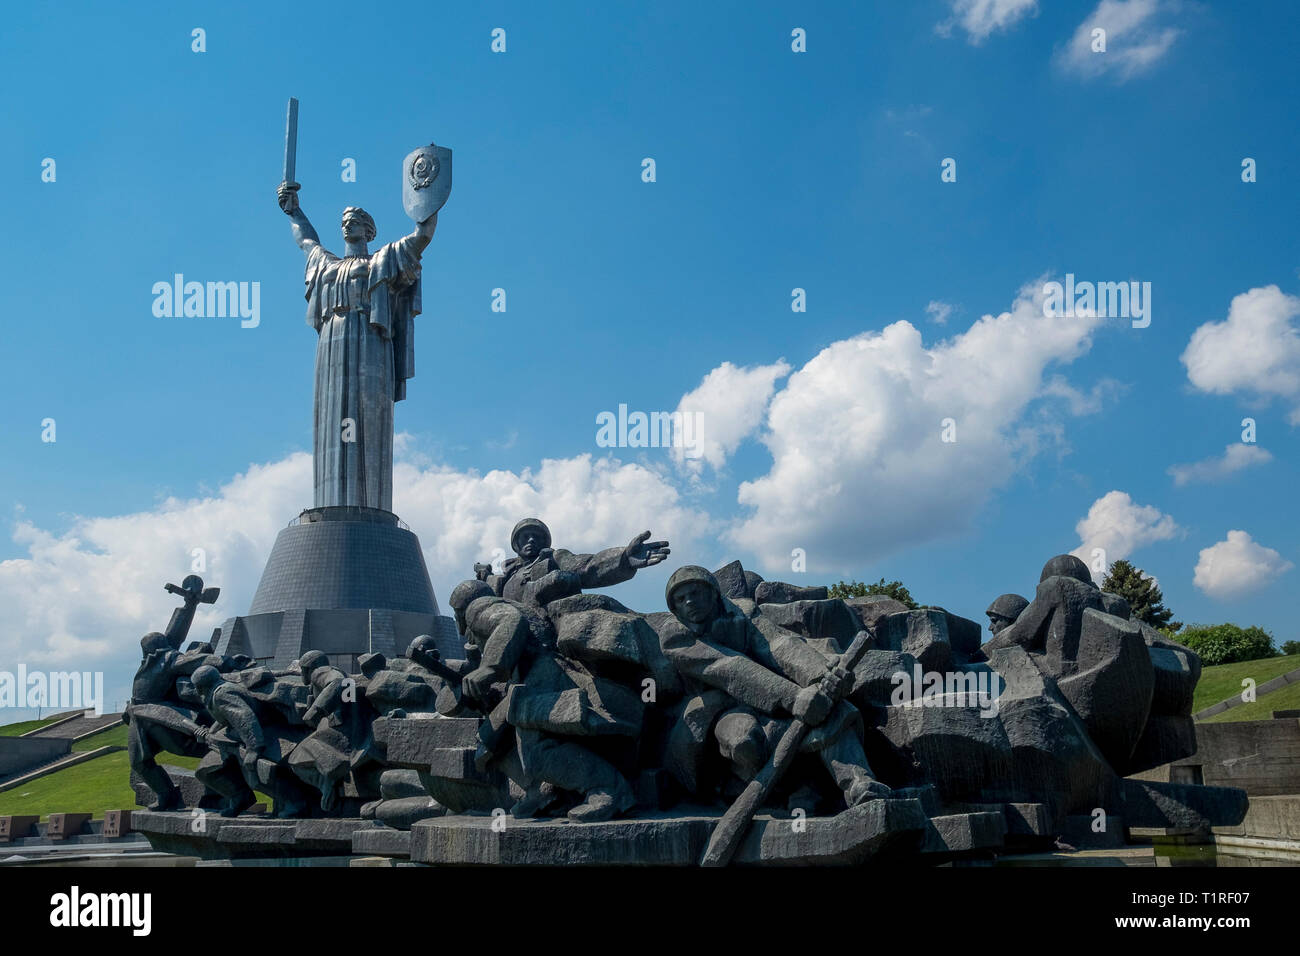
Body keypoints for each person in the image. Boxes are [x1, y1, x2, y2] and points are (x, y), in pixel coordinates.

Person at [657, 566, 891, 810]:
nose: (690, 602)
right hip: (723, 706)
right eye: (680, 599)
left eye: (695, 592)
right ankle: (791, 790)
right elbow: (727, 666)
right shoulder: (674, 636)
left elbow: (777, 644)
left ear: (714, 593)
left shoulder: (743, 610)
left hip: (774, 690)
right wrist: (795, 697)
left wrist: (821, 676)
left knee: (828, 706)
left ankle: (858, 783)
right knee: (743, 741)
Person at [277, 182, 437, 512]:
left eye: (355, 219)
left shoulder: (384, 259)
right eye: (344, 220)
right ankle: (330, 503)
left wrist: (428, 200)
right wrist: (294, 210)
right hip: (332, 344)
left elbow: (421, 237)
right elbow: (306, 239)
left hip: (371, 340)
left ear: (369, 230)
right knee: (332, 414)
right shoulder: (327, 265)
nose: (347, 222)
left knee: (369, 414)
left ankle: (369, 505)